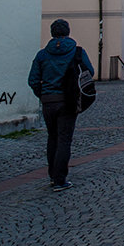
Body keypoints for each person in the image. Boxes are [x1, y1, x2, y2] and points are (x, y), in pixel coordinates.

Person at [28, 19, 94, 191]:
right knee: (64, 140)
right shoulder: (77, 52)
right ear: (68, 32)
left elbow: (33, 80)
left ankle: (52, 176)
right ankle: (60, 179)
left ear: (52, 33)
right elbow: (89, 72)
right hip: (68, 100)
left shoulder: (42, 54)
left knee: (53, 138)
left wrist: (43, 94)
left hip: (48, 101)